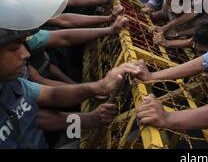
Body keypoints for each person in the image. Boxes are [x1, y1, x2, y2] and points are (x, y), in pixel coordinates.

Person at [0, 27, 141, 148]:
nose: (26, 54)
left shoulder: (11, 83)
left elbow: (48, 99)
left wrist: (97, 92)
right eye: (13, 49)